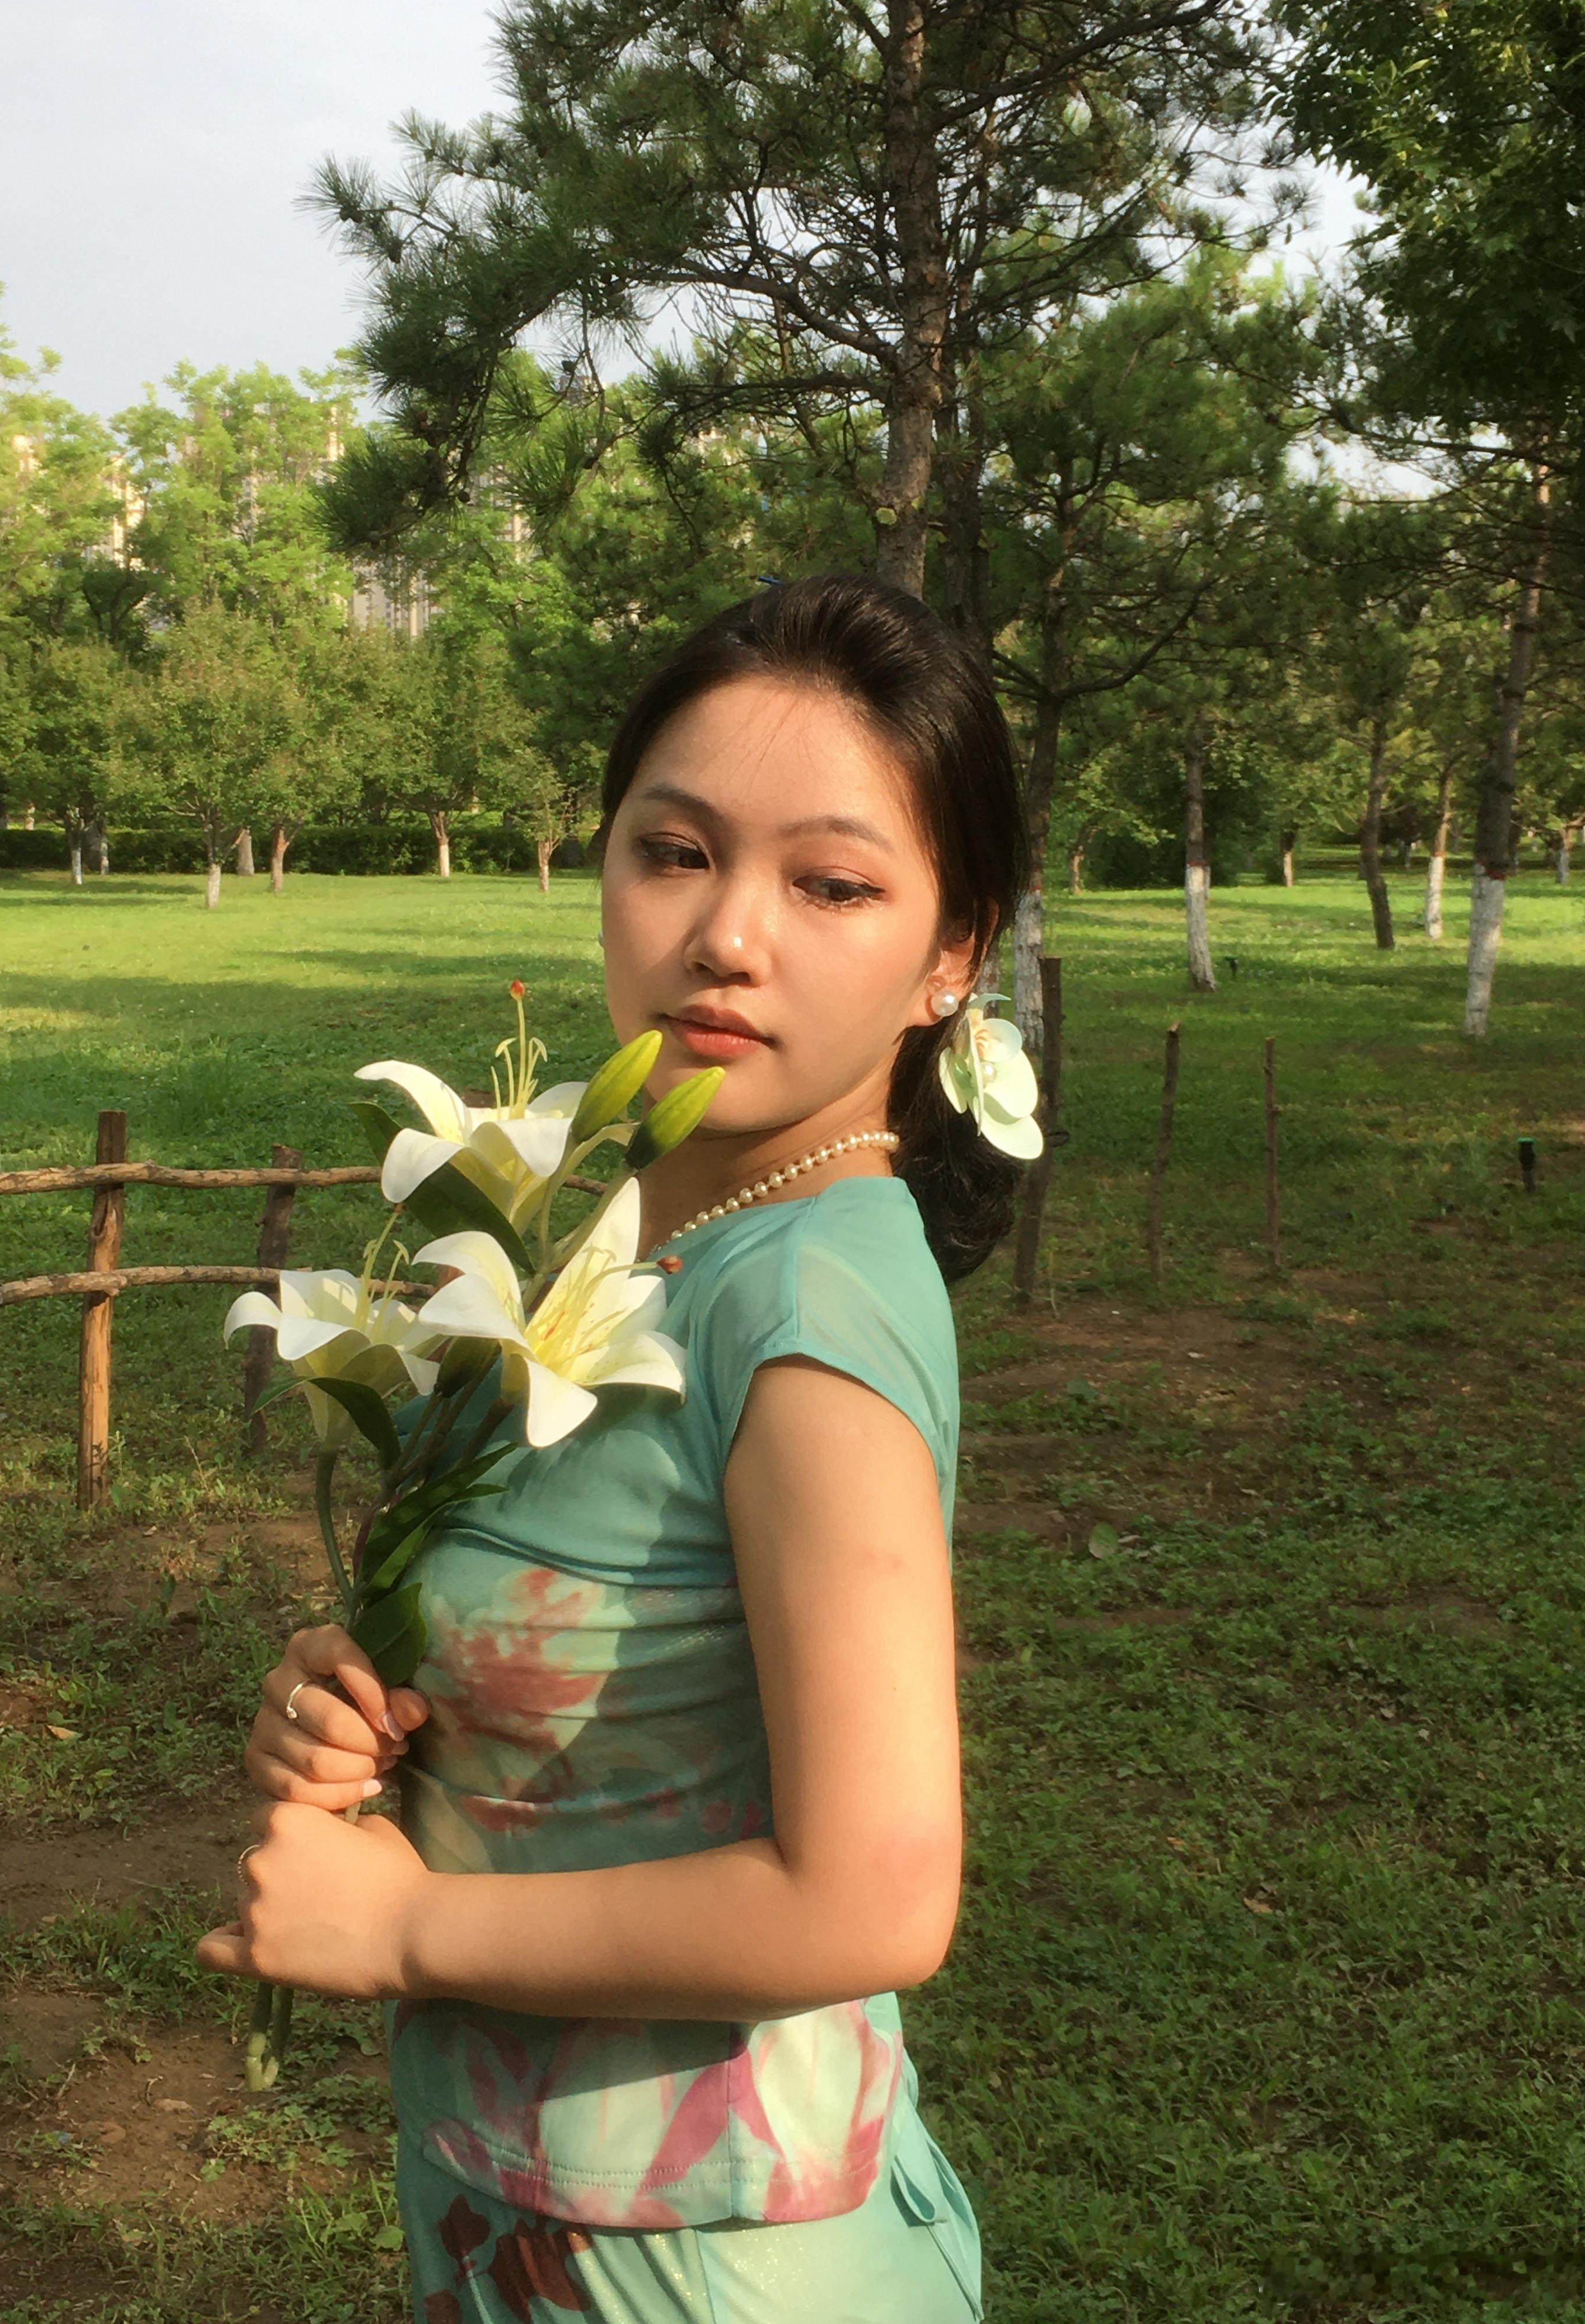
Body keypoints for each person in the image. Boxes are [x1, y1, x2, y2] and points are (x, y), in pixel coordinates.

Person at [197, 572, 1031, 2323]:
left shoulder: (808, 1301)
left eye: (832, 884)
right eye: (675, 852)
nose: (728, 935)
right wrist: (364, 1697)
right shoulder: (639, 1231)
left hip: (701, 2267)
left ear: (953, 954)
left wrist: (406, 1928)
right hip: (539, 2211)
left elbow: (876, 1898)